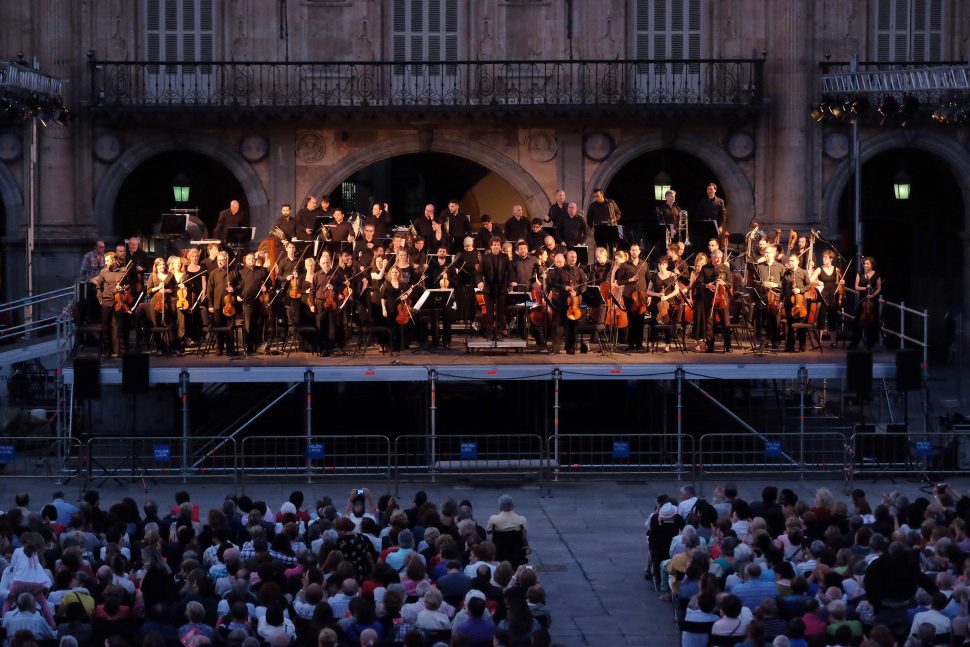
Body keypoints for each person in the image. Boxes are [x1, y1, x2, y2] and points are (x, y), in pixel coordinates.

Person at [546, 251, 585, 354]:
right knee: (559, 325)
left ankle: (570, 349)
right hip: (562, 300)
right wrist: (565, 287)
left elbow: (584, 285)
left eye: (575, 257)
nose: (573, 258)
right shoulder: (560, 270)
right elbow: (553, 283)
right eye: (571, 257)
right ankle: (555, 348)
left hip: (574, 302)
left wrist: (576, 292)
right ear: (567, 258)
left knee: (572, 325)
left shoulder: (579, 271)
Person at [477, 236, 513, 340]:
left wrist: (512, 281)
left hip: (501, 288)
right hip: (488, 288)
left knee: (500, 312)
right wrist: (479, 282)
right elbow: (479, 273)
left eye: (498, 245)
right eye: (494, 245)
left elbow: (510, 270)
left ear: (500, 246)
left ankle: (498, 332)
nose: (496, 246)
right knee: (489, 312)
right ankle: (489, 333)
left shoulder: (505, 257)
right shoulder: (484, 257)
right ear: (491, 246)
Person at [95, 252, 128, 358]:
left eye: (108, 260)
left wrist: (122, 288)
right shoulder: (103, 272)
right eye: (105, 261)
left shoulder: (123, 271)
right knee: (105, 327)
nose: (106, 262)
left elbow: (128, 285)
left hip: (118, 302)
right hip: (106, 301)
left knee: (118, 327)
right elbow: (98, 287)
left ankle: (118, 351)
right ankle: (107, 351)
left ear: (114, 260)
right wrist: (100, 299)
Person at [206, 251, 238, 356]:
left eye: (222, 260)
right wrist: (210, 305)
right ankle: (219, 349)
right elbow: (209, 291)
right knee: (218, 328)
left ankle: (230, 350)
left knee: (229, 328)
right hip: (217, 305)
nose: (220, 262)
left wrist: (234, 289)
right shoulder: (213, 273)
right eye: (219, 260)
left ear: (227, 260)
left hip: (230, 305)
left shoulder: (233, 272)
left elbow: (240, 285)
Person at [237, 253, 268, 356]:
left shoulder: (262, 270)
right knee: (249, 325)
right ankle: (249, 347)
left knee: (259, 324)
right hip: (247, 302)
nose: (252, 260)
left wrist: (266, 287)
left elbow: (270, 283)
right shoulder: (241, 272)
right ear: (246, 261)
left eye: (253, 259)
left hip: (259, 301)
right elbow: (237, 286)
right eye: (249, 259)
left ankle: (257, 345)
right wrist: (238, 295)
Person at [754, 244, 784, 350]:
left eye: (768, 252)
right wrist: (763, 284)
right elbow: (755, 281)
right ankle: (764, 341)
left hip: (776, 297)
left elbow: (785, 282)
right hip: (763, 296)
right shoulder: (760, 266)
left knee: (775, 320)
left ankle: (775, 342)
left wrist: (776, 285)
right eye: (765, 252)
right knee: (763, 320)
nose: (766, 254)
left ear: (773, 253)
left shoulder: (780, 267)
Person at [811, 249, 842, 347]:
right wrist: (818, 282)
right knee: (821, 318)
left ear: (831, 259)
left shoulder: (836, 270)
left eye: (826, 257)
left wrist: (841, 282)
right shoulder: (819, 269)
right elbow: (811, 280)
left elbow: (837, 282)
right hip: (823, 296)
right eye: (823, 257)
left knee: (832, 318)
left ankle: (833, 342)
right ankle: (819, 342)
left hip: (832, 296)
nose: (823, 259)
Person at [850, 256, 882, 350]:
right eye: (864, 263)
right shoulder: (859, 274)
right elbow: (856, 287)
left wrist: (873, 295)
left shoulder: (876, 275)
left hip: (872, 301)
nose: (865, 265)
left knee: (872, 323)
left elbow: (879, 287)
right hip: (862, 300)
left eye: (868, 264)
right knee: (857, 322)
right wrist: (865, 288)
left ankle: (870, 343)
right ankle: (855, 342)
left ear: (872, 265)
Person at [781, 254, 810, 353]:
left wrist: (800, 290)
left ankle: (802, 345)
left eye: (792, 261)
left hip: (800, 302)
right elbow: (783, 289)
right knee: (790, 325)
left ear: (797, 262)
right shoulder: (786, 273)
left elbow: (809, 285)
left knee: (801, 324)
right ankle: (790, 346)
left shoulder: (803, 272)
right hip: (789, 302)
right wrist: (781, 301)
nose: (790, 262)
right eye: (789, 261)